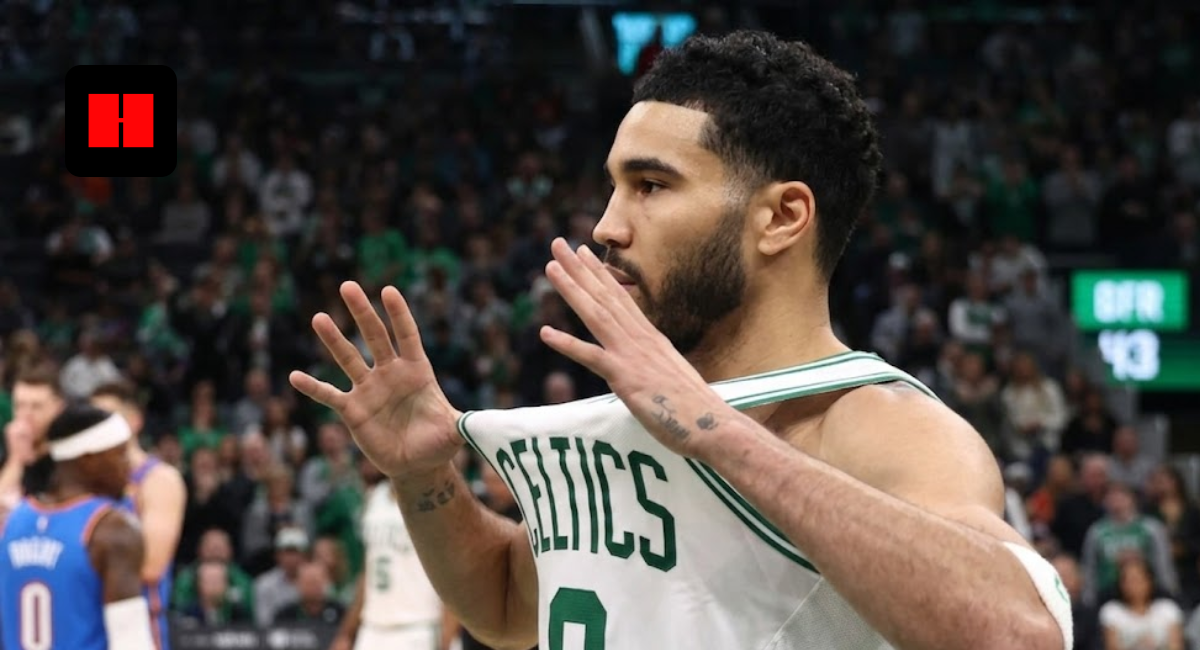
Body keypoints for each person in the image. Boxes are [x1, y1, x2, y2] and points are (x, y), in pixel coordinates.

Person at [291, 31, 1071, 650]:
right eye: (614, 185)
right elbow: (501, 604)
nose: (606, 224)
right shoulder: (637, 416)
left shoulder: (873, 422)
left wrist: (714, 431)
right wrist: (427, 479)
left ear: (781, 218)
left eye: (651, 185)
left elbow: (1018, 633)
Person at [0, 403, 157, 650]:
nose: (130, 467)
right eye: (121, 454)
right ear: (89, 459)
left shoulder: (12, 520)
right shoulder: (111, 528)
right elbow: (131, 641)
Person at [91, 380, 187, 650]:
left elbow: (151, 566)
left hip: (137, 632)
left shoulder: (158, 479)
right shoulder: (83, 484)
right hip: (87, 626)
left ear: (134, 421)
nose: (99, 427)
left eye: (109, 416)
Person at [331, 459, 449, 650]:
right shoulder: (374, 497)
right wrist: (346, 633)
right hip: (372, 627)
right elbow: (368, 570)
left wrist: (446, 639)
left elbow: (452, 576)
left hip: (420, 626)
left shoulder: (435, 499)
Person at [0, 363, 66, 518]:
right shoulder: (7, 453)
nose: (26, 415)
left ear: (59, 409)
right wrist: (16, 460)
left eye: (36, 407)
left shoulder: (69, 462)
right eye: (19, 406)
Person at [1098, 557, 1184, 650]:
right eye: (1127, 581)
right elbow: (1112, 647)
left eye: (1137, 580)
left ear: (1149, 581)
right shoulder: (1112, 611)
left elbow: (1176, 646)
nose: (1133, 586)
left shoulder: (1167, 608)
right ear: (1120, 584)